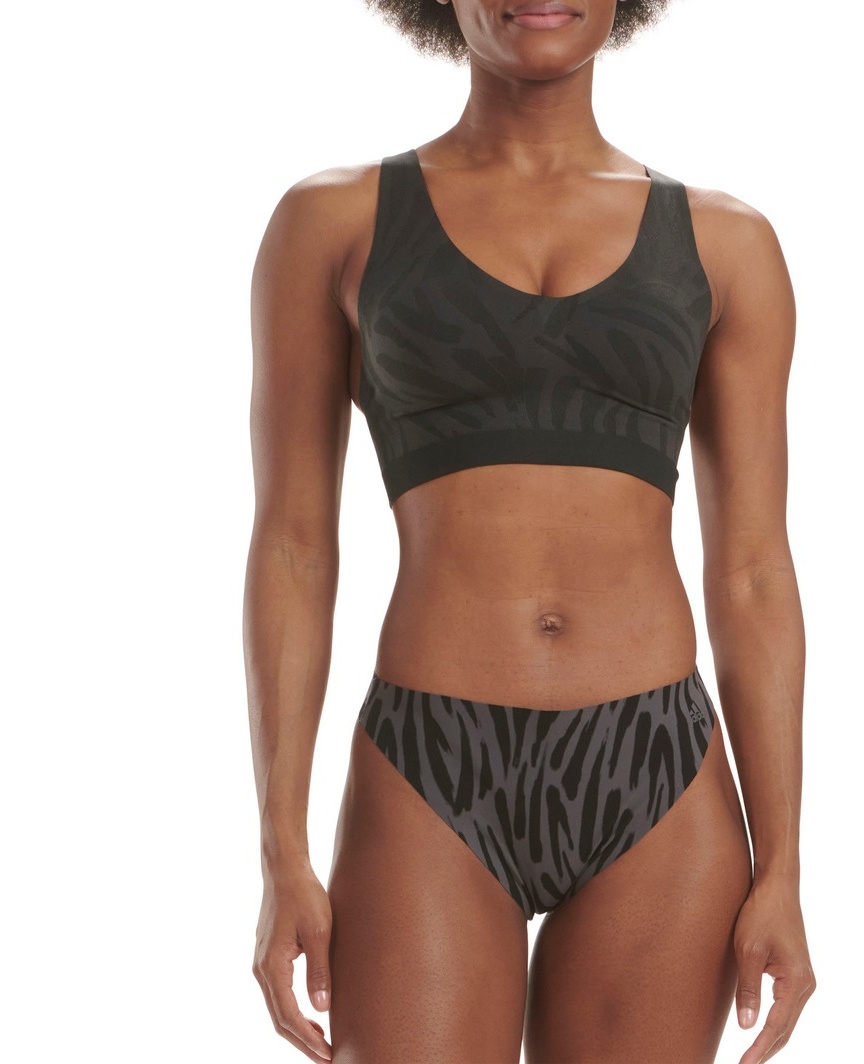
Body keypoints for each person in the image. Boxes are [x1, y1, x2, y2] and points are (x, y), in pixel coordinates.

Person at [243, 1, 815, 1061]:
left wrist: (781, 867)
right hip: (429, 765)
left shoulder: (725, 241)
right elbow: (292, 546)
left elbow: (752, 571)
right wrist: (282, 851)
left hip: (656, 769)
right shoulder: (334, 222)